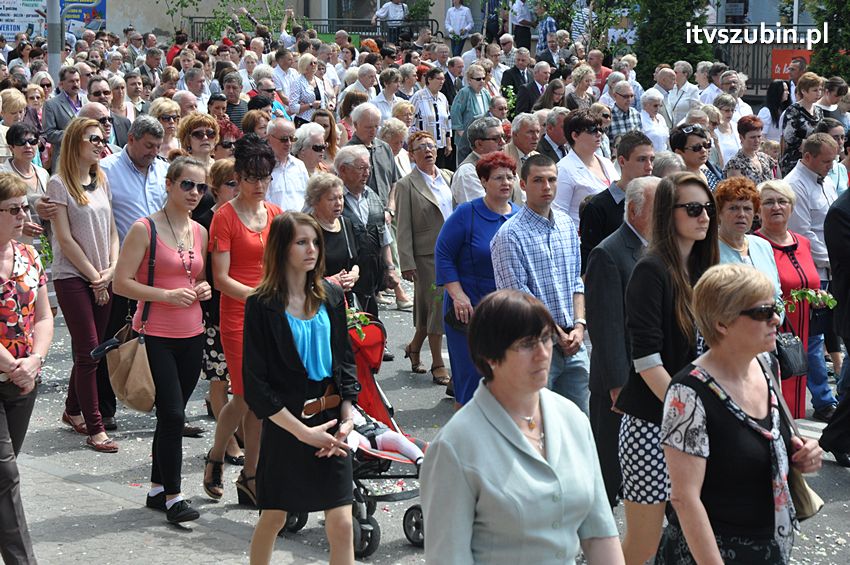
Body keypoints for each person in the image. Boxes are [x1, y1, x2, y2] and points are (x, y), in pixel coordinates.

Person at [421, 289, 624, 564]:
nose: (543, 354)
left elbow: (600, 534)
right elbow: (448, 558)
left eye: (545, 339)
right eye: (527, 344)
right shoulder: (455, 446)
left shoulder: (572, 418)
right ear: (490, 356)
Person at [657, 263, 823, 564]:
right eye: (762, 312)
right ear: (722, 323)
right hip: (711, 552)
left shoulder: (765, 365)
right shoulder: (688, 393)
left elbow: (765, 440)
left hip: (769, 546)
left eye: (774, 307)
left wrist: (802, 454)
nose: (776, 319)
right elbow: (684, 498)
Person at [242, 212, 358, 565]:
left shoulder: (332, 295)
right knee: (274, 517)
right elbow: (255, 385)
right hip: (286, 423)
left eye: (315, 242)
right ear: (281, 248)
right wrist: (304, 434)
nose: (312, 249)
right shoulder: (261, 305)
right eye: (301, 242)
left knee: (342, 524)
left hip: (332, 422)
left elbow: (346, 363)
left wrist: (348, 416)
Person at [614, 172, 718, 565]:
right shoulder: (651, 269)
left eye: (708, 208)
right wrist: (690, 414)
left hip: (696, 424)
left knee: (693, 537)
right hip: (652, 425)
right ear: (667, 214)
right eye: (693, 208)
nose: (704, 216)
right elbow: (646, 360)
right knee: (642, 545)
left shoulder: (705, 269)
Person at [112, 157, 211, 523]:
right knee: (172, 414)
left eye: (201, 187)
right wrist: (165, 296)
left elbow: (196, 275)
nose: (195, 193)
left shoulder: (199, 231)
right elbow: (120, 283)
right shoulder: (144, 229)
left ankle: (156, 488)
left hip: (194, 333)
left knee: (170, 417)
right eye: (187, 185)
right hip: (155, 334)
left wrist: (202, 289)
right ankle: (174, 497)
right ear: (169, 184)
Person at [203, 135, 282, 506]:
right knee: (246, 395)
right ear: (238, 177)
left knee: (258, 400)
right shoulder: (224, 216)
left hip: (270, 316)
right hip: (237, 316)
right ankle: (218, 454)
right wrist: (261, 297)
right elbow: (220, 279)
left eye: (264, 177)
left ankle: (251, 476)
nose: (259, 185)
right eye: (251, 178)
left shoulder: (276, 214)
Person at [492, 154, 590, 414]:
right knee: (535, 427)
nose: (546, 187)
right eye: (538, 180)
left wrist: (579, 326)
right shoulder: (509, 235)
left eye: (551, 180)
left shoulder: (567, 225)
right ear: (522, 185)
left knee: (578, 425)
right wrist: (557, 334)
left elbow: (575, 281)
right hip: (533, 346)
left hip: (574, 343)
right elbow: (519, 298)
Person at [585, 176, 659, 508]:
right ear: (634, 209)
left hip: (651, 376)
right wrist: (617, 384)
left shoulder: (658, 247)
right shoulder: (609, 252)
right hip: (620, 383)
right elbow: (606, 324)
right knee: (609, 470)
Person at [49, 117, 120, 453]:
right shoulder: (58, 184)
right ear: (76, 141)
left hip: (103, 275)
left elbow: (112, 230)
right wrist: (95, 276)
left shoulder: (101, 179)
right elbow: (64, 237)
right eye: (93, 137)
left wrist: (112, 270)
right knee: (90, 350)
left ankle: (72, 408)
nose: (99, 143)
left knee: (91, 350)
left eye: (101, 138)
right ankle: (95, 426)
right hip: (73, 276)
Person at [435, 152, 520, 405]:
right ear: (483, 181)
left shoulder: (519, 216)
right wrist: (457, 295)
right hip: (468, 312)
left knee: (505, 379)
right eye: (498, 178)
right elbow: (444, 253)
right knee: (472, 380)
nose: (506, 183)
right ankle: (465, 440)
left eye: (510, 177)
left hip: (506, 312)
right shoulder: (466, 213)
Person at [0, 172, 53, 565]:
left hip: (23, 380)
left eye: (24, 207)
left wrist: (35, 360)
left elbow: (44, 316)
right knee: (6, 477)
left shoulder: (30, 255)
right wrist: (11, 364)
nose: (23, 215)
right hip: (10, 371)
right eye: (13, 208)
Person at [754, 180, 822, 419]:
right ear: (757, 209)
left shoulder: (803, 242)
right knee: (774, 398)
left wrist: (818, 296)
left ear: (791, 207)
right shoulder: (754, 245)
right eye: (768, 202)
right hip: (771, 335)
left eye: (782, 201)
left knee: (796, 401)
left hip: (802, 335)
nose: (776, 207)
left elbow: (812, 282)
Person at [785, 133, 841, 421]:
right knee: (814, 338)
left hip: (832, 269)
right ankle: (823, 400)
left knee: (833, 334)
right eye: (827, 160)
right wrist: (834, 262)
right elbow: (804, 236)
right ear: (808, 157)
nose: (832, 165)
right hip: (814, 272)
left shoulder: (824, 178)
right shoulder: (794, 185)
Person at [193, 158, 243, 465]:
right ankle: (225, 445)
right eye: (231, 184)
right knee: (218, 377)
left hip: (240, 306)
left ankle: (236, 433)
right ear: (216, 187)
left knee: (239, 379)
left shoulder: (242, 216)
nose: (237, 190)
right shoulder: (205, 221)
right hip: (214, 309)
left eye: (241, 182)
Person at [396, 132, 454, 388]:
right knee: (436, 305)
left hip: (453, 251)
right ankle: (438, 364)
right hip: (427, 256)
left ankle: (414, 347)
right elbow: (403, 226)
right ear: (411, 155)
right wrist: (406, 261)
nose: (428, 151)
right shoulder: (406, 185)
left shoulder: (449, 177)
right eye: (421, 148)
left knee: (431, 307)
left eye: (431, 146)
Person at [579, 131, 654, 271]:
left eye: (652, 159)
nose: (649, 166)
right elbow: (589, 262)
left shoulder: (656, 201)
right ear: (622, 161)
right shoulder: (597, 207)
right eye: (642, 159)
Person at [715, 177, 782, 304]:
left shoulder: (763, 245)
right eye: (733, 208)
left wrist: (773, 317)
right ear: (720, 212)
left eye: (747, 209)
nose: (741, 214)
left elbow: (777, 295)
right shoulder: (709, 248)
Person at [555, 109, 619, 226]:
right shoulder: (563, 169)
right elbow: (558, 214)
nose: (599, 133)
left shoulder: (607, 163)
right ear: (575, 135)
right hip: (583, 238)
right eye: (592, 130)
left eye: (600, 129)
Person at [306, 173, 360, 296]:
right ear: (315, 202)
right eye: (331, 199)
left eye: (340, 197)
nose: (338, 203)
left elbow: (356, 261)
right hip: (317, 298)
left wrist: (354, 275)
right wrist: (331, 282)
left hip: (344, 298)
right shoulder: (307, 227)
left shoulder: (346, 223)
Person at [780, 72, 824, 177]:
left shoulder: (819, 110)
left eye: (820, 90)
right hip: (795, 161)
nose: (818, 93)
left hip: (815, 159)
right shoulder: (793, 110)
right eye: (815, 90)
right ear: (804, 91)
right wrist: (811, 144)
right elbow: (789, 138)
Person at [409, 67, 454, 171]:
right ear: (429, 79)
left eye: (443, 79)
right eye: (438, 79)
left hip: (440, 145)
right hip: (423, 146)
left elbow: (447, 122)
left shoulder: (442, 98)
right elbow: (410, 119)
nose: (441, 82)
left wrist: (448, 142)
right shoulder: (418, 97)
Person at [451, 64, 491, 165]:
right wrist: (461, 131)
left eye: (483, 78)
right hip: (467, 137)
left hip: (482, 135)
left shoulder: (485, 93)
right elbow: (455, 111)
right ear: (469, 80)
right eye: (478, 79)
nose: (481, 81)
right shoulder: (464, 93)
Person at [267, 119, 309, 211]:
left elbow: (308, 198)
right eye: (284, 139)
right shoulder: (263, 167)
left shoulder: (299, 165)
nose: (289, 143)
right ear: (269, 139)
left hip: (300, 222)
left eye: (292, 138)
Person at [724, 115, 777, 184]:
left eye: (759, 136)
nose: (757, 140)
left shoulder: (765, 158)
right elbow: (737, 192)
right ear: (741, 137)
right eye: (752, 137)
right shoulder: (735, 164)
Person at [670, 124, 722, 191]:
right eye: (696, 148)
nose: (703, 150)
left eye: (706, 145)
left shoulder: (710, 173)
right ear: (679, 153)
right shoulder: (678, 183)